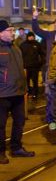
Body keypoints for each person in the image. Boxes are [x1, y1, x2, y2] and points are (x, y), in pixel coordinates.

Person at [0, 20, 35, 164]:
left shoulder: (16, 47)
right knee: (0, 125)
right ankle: (1, 152)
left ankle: (16, 147)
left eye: (12, 30)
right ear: (1, 33)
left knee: (19, 122)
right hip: (2, 94)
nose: (12, 32)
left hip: (19, 93)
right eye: (9, 30)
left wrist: (25, 88)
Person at [32, 10, 56, 123]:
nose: (55, 25)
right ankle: (50, 119)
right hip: (50, 69)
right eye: (55, 23)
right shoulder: (49, 35)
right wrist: (34, 18)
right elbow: (37, 30)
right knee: (49, 94)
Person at [20, 32, 45, 102]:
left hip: (35, 67)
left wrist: (41, 63)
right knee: (26, 81)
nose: (31, 38)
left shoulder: (37, 44)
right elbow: (20, 56)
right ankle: (27, 93)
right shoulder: (23, 45)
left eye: (32, 36)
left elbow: (42, 54)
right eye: (30, 36)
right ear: (27, 37)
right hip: (25, 67)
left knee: (35, 81)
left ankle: (35, 94)